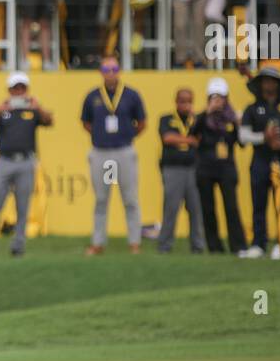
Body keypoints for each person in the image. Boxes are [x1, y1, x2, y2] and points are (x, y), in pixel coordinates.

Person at [0, 71, 53, 258]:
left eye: (22, 88)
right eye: (15, 88)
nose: (19, 92)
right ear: (10, 90)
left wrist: (39, 108)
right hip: (5, 160)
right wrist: (0, 109)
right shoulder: (4, 110)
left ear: (26, 89)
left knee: (23, 206)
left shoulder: (32, 109)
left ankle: (18, 246)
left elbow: (49, 121)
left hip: (26, 161)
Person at [81, 57, 147, 255]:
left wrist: (127, 135)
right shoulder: (93, 96)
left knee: (130, 199)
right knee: (101, 199)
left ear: (119, 71)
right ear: (101, 71)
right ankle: (98, 242)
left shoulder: (131, 95)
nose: (110, 72)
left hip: (123, 152)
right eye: (106, 69)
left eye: (114, 68)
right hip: (101, 153)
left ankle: (134, 243)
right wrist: (100, 135)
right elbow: (86, 122)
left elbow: (142, 122)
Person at [239, 67, 280, 260]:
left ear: (278, 84)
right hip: (260, 159)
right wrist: (263, 138)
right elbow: (243, 135)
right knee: (259, 203)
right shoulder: (252, 108)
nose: (268, 84)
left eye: (272, 81)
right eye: (265, 81)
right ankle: (258, 243)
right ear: (260, 84)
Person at [192, 77, 247, 255]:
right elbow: (192, 133)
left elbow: (242, 143)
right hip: (205, 168)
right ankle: (214, 247)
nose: (217, 101)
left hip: (226, 168)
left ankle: (238, 246)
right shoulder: (202, 117)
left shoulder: (232, 118)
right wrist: (207, 112)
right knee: (208, 209)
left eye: (220, 97)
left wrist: (239, 125)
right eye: (214, 97)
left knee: (231, 208)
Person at [156, 88, 207, 254]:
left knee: (196, 209)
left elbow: (202, 140)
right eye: (183, 101)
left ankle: (197, 246)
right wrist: (189, 140)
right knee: (170, 208)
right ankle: (164, 245)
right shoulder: (167, 119)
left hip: (193, 169)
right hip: (172, 169)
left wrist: (195, 124)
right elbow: (168, 138)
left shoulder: (197, 120)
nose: (186, 105)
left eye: (189, 101)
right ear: (176, 102)